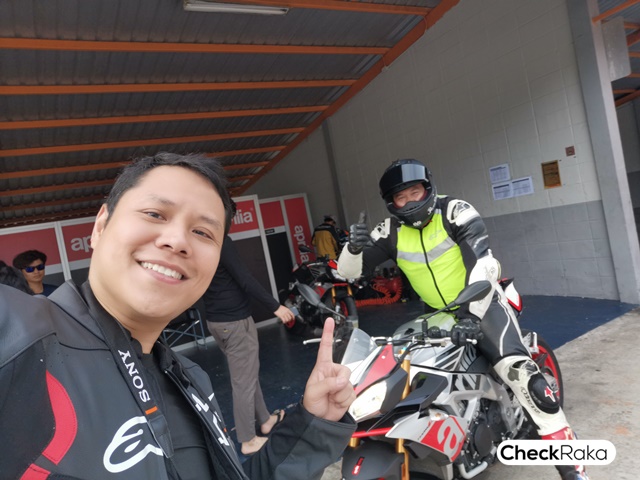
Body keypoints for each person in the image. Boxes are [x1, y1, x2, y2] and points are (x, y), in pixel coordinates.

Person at [0, 152, 356, 480]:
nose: (177, 240)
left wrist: (314, 425)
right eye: (155, 214)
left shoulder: (190, 380)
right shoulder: (18, 336)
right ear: (100, 226)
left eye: (202, 232)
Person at [337, 158, 588, 480]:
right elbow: (349, 273)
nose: (410, 201)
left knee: (522, 375)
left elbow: (484, 264)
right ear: (391, 203)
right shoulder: (389, 231)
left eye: (415, 192)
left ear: (428, 189)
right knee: (406, 373)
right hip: (436, 313)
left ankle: (571, 464)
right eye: (401, 197)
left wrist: (471, 314)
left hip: (481, 303)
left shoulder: (455, 212)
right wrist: (353, 248)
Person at [202, 229, 295, 456]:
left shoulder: (200, 242)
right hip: (234, 322)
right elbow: (245, 279)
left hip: (217, 321)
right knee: (243, 382)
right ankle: (248, 440)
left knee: (248, 374)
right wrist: (275, 306)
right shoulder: (221, 241)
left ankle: (265, 420)